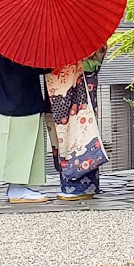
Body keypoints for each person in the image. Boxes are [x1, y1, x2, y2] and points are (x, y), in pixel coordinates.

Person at [0, 46, 49, 204]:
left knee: (20, 143)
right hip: (17, 98)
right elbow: (22, 66)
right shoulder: (16, 42)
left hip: (4, 95)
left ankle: (19, 185)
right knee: (20, 143)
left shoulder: (1, 38)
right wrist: (48, 67)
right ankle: (17, 187)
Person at [44, 44, 108, 200]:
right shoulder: (89, 29)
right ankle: (85, 185)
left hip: (62, 77)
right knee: (78, 128)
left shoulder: (53, 29)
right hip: (81, 75)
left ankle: (77, 187)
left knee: (77, 129)